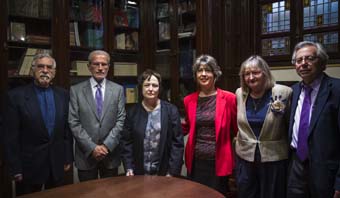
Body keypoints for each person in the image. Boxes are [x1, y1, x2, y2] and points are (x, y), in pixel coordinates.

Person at [3, 53, 73, 195]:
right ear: (32, 69)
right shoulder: (15, 97)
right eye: (40, 66)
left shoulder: (63, 95)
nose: (45, 70)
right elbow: (10, 137)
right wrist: (15, 168)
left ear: (54, 72)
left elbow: (67, 130)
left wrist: (67, 157)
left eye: (49, 67)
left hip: (56, 163)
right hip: (29, 167)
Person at [287, 41, 340, 198]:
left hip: (326, 170)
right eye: (299, 60)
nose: (303, 64)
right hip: (296, 166)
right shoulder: (293, 91)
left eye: (310, 58)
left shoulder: (336, 90)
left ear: (322, 62)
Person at [235, 55, 292, 198]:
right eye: (247, 74)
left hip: (273, 159)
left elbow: (289, 125)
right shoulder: (240, 93)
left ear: (265, 73)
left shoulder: (283, 92)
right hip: (245, 158)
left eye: (256, 72)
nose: (251, 77)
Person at [182, 54, 238, 195]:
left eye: (207, 70)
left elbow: (238, 130)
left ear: (215, 74)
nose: (203, 74)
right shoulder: (189, 100)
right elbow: (187, 126)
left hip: (219, 161)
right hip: (196, 161)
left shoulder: (229, 98)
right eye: (200, 71)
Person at [68, 50, 126, 182]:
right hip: (86, 155)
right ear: (89, 66)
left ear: (109, 67)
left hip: (110, 154)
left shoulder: (118, 90)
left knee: (111, 193)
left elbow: (121, 119)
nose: (100, 68)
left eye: (104, 64)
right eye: (96, 64)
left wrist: (106, 146)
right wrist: (92, 147)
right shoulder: (76, 90)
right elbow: (73, 122)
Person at [121, 69, 184, 176]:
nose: (150, 89)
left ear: (159, 88)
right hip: (138, 172)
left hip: (164, 173)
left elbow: (177, 143)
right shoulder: (132, 112)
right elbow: (126, 142)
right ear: (141, 87)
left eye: (154, 85)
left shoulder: (171, 110)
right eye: (147, 85)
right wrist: (129, 167)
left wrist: (172, 171)